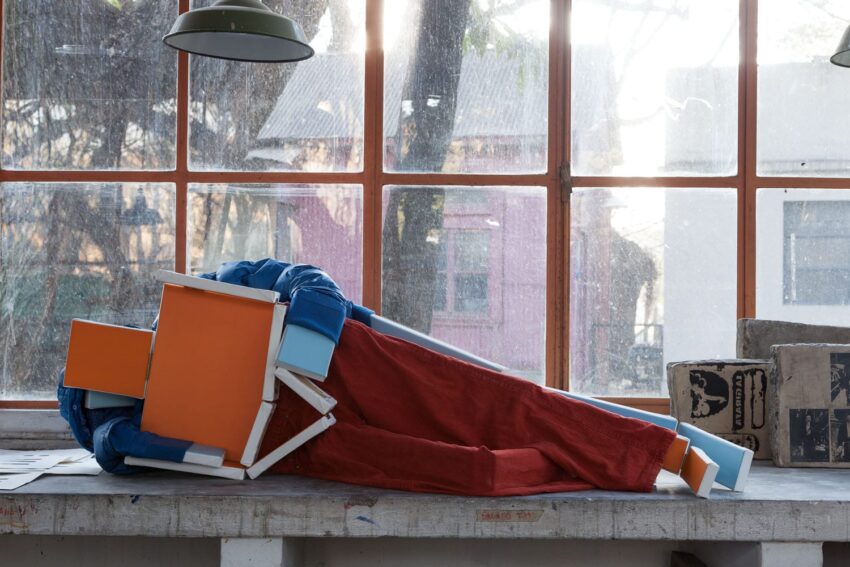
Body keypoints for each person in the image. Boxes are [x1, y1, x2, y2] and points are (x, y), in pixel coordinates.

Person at [59, 259, 678, 496]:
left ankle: (644, 452)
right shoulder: (112, 425)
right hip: (290, 442)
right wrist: (130, 445)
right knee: (472, 472)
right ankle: (594, 461)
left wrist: (308, 333)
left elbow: (303, 278)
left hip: (346, 364)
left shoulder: (199, 298)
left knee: (494, 404)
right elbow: (122, 454)